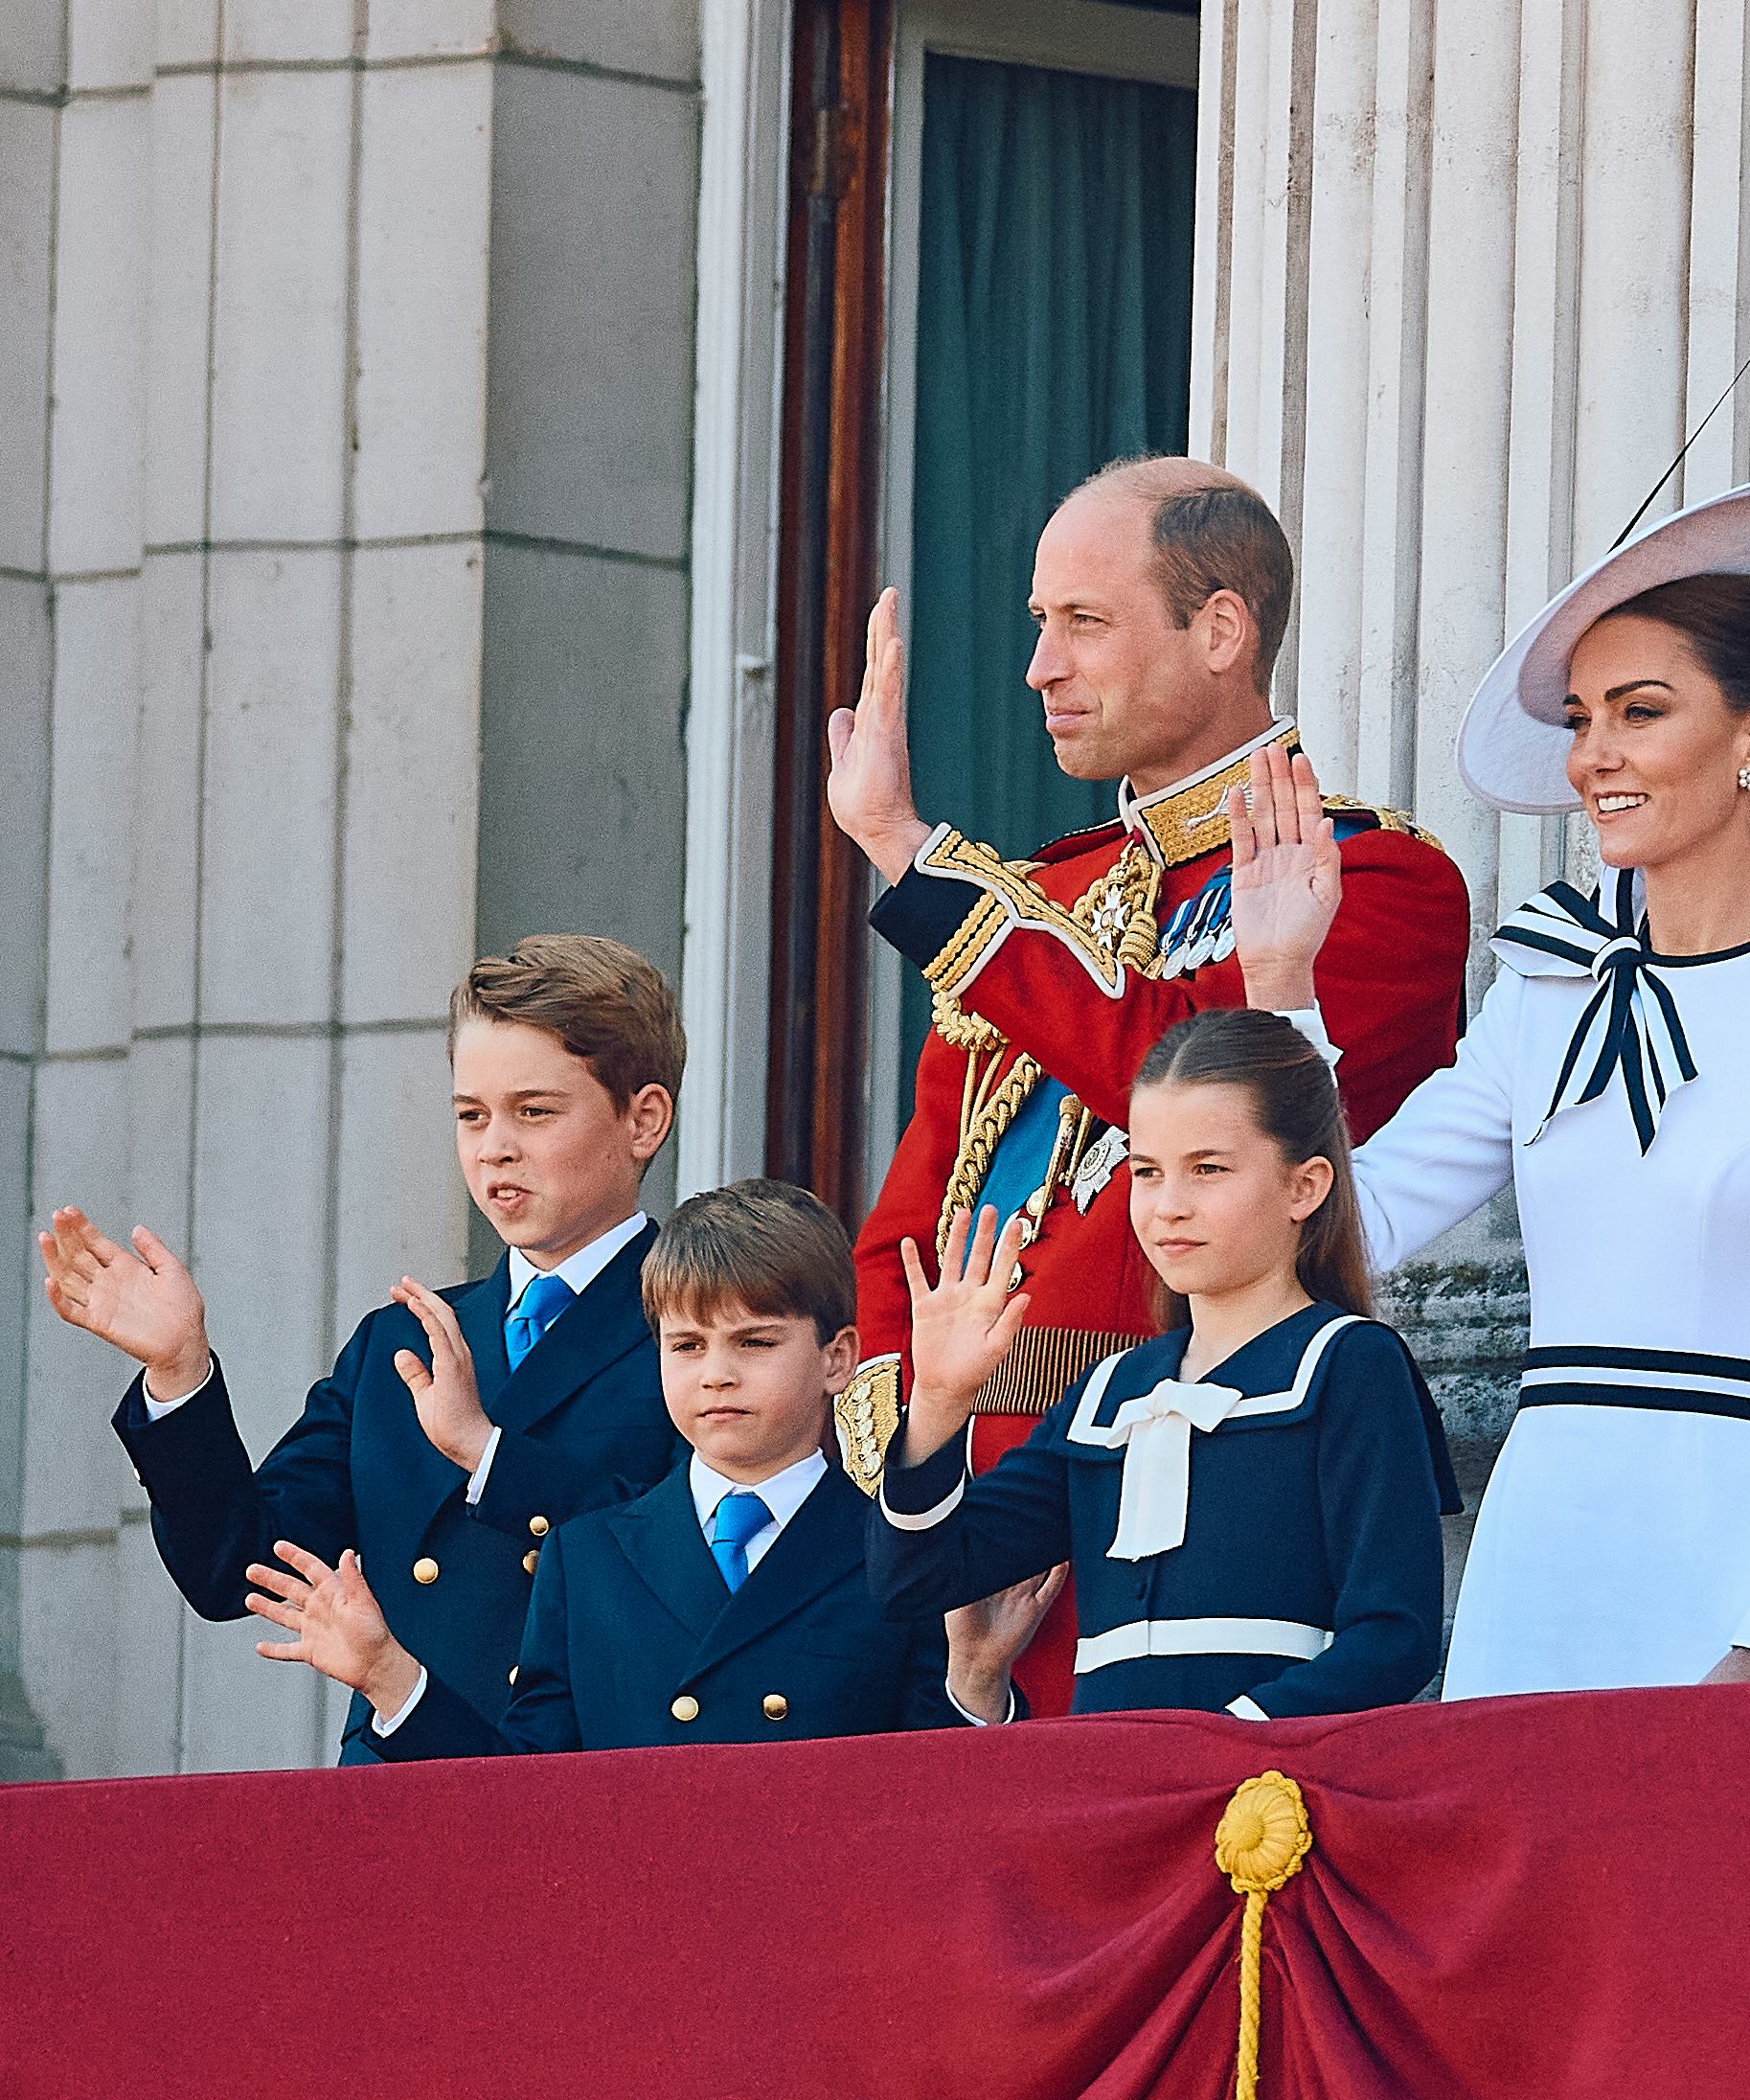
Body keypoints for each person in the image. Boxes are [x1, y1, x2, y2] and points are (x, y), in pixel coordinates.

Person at [1235, 464, 1750, 1698]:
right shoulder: (1546, 983)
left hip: (1734, 1550)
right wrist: (1283, 981)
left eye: (1638, 711)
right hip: (1537, 1551)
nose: (1593, 757)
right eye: (1580, 718)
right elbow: (1357, 1218)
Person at [826, 456, 1471, 1711]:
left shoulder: (1378, 880)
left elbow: (1185, 1073)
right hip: (969, 1518)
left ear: (1219, 628)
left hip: (1211, 1496)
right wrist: (923, 1445)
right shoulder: (1036, 900)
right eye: (1035, 625)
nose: (1040, 667)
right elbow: (913, 1223)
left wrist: (909, 851)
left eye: (1083, 622)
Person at [36, 936, 689, 1762]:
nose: (494, 1147)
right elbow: (236, 1567)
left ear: (643, 1119)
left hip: (586, 1800)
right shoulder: (400, 1344)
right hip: (391, 1798)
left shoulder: (696, 1334)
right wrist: (179, 1372)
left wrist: (488, 1454)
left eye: (534, 1111)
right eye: (470, 1114)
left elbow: (687, 1572)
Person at [243, 1180, 1056, 1752]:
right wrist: (391, 1677)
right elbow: (523, 1796)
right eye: (687, 1345)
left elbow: (929, 1813)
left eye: (755, 1342)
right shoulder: (586, 1552)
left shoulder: (895, 1557)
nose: (717, 1373)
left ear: (838, 1357)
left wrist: (976, 1683)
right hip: (631, 1959)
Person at [869, 1011, 1456, 1719]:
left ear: (1305, 1186)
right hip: (1113, 1792)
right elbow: (919, 1579)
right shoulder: (1107, 1393)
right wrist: (936, 1400)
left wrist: (1226, 1743)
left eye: (1207, 1169)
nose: (1168, 1207)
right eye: (1146, 1172)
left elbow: (1396, 1635)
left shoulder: (1348, 1363)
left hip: (1272, 1801)